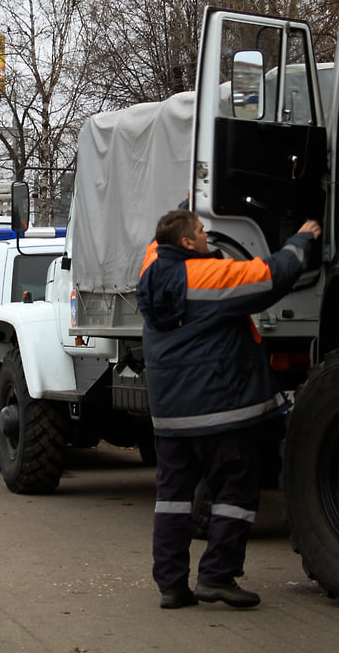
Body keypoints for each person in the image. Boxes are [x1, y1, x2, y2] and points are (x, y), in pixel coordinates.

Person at [136, 210, 321, 609]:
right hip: (218, 409)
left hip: (170, 414)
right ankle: (217, 576)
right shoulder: (206, 276)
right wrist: (303, 240)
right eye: (202, 232)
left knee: (172, 499)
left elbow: (159, 241)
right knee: (236, 490)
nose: (208, 237)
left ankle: (171, 585)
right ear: (187, 245)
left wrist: (185, 207)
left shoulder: (151, 267)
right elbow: (270, 275)